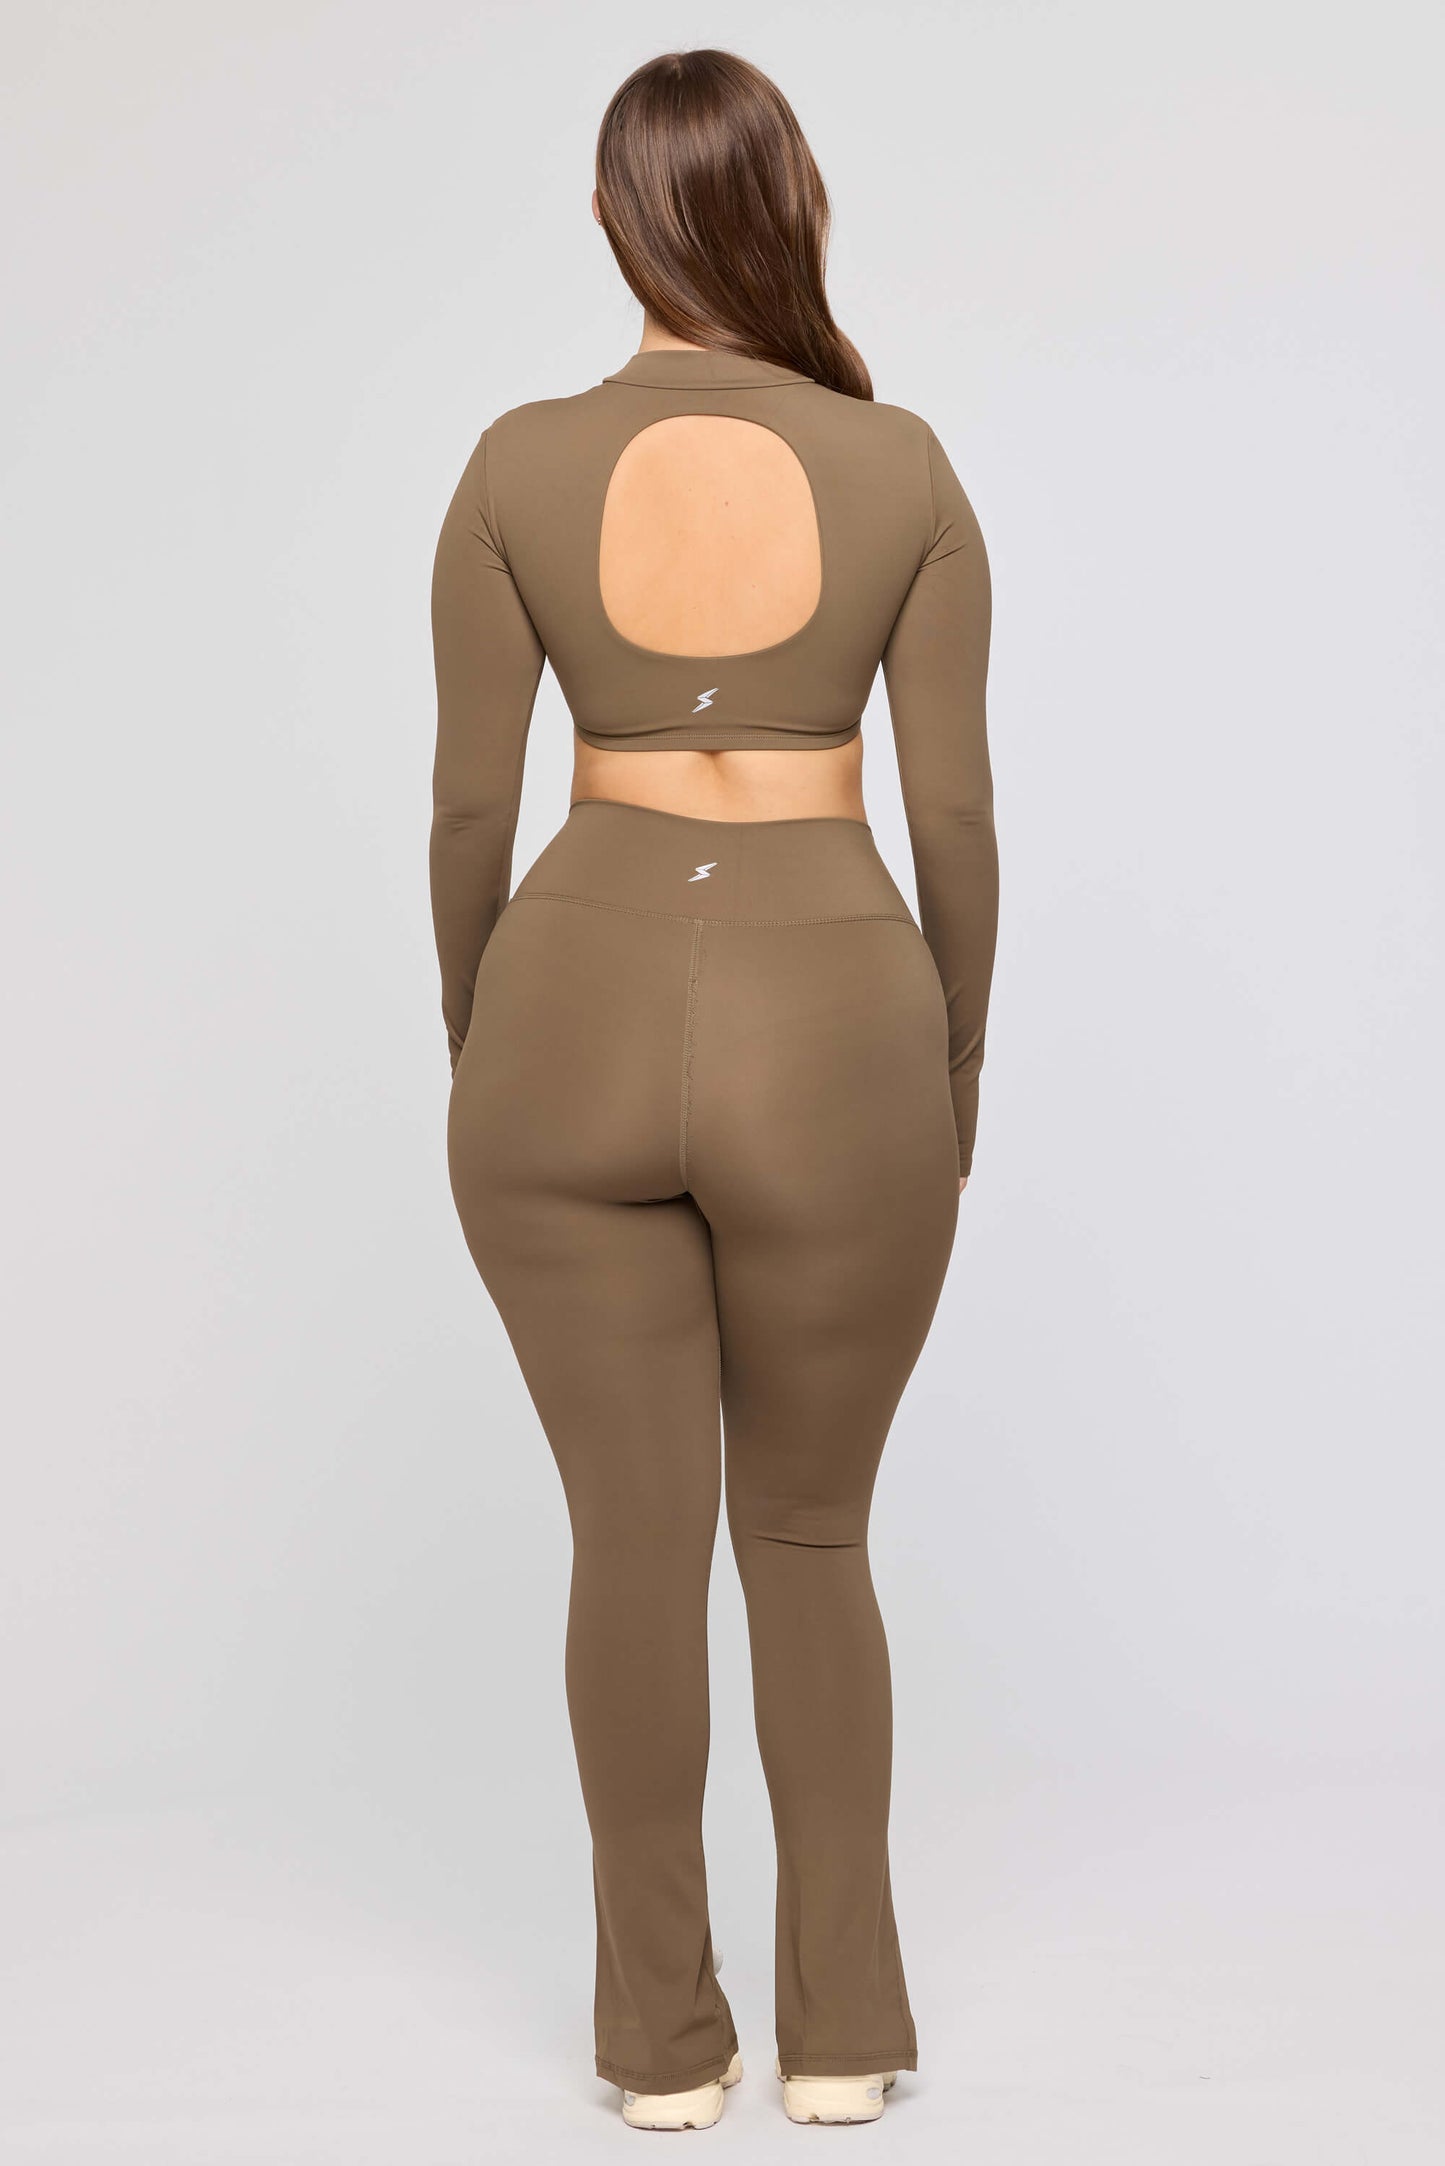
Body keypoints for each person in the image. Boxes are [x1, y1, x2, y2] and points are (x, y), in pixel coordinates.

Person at [429, 47, 998, 2133]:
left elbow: (467, 807)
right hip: (834, 1027)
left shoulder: (512, 465)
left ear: (615, 222)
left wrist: (476, 1028)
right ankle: (840, 2035)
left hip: (560, 1015)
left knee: (630, 1545)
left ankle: (661, 2048)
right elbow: (956, 816)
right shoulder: (903, 469)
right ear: (793, 206)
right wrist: (953, 1066)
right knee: (811, 1535)